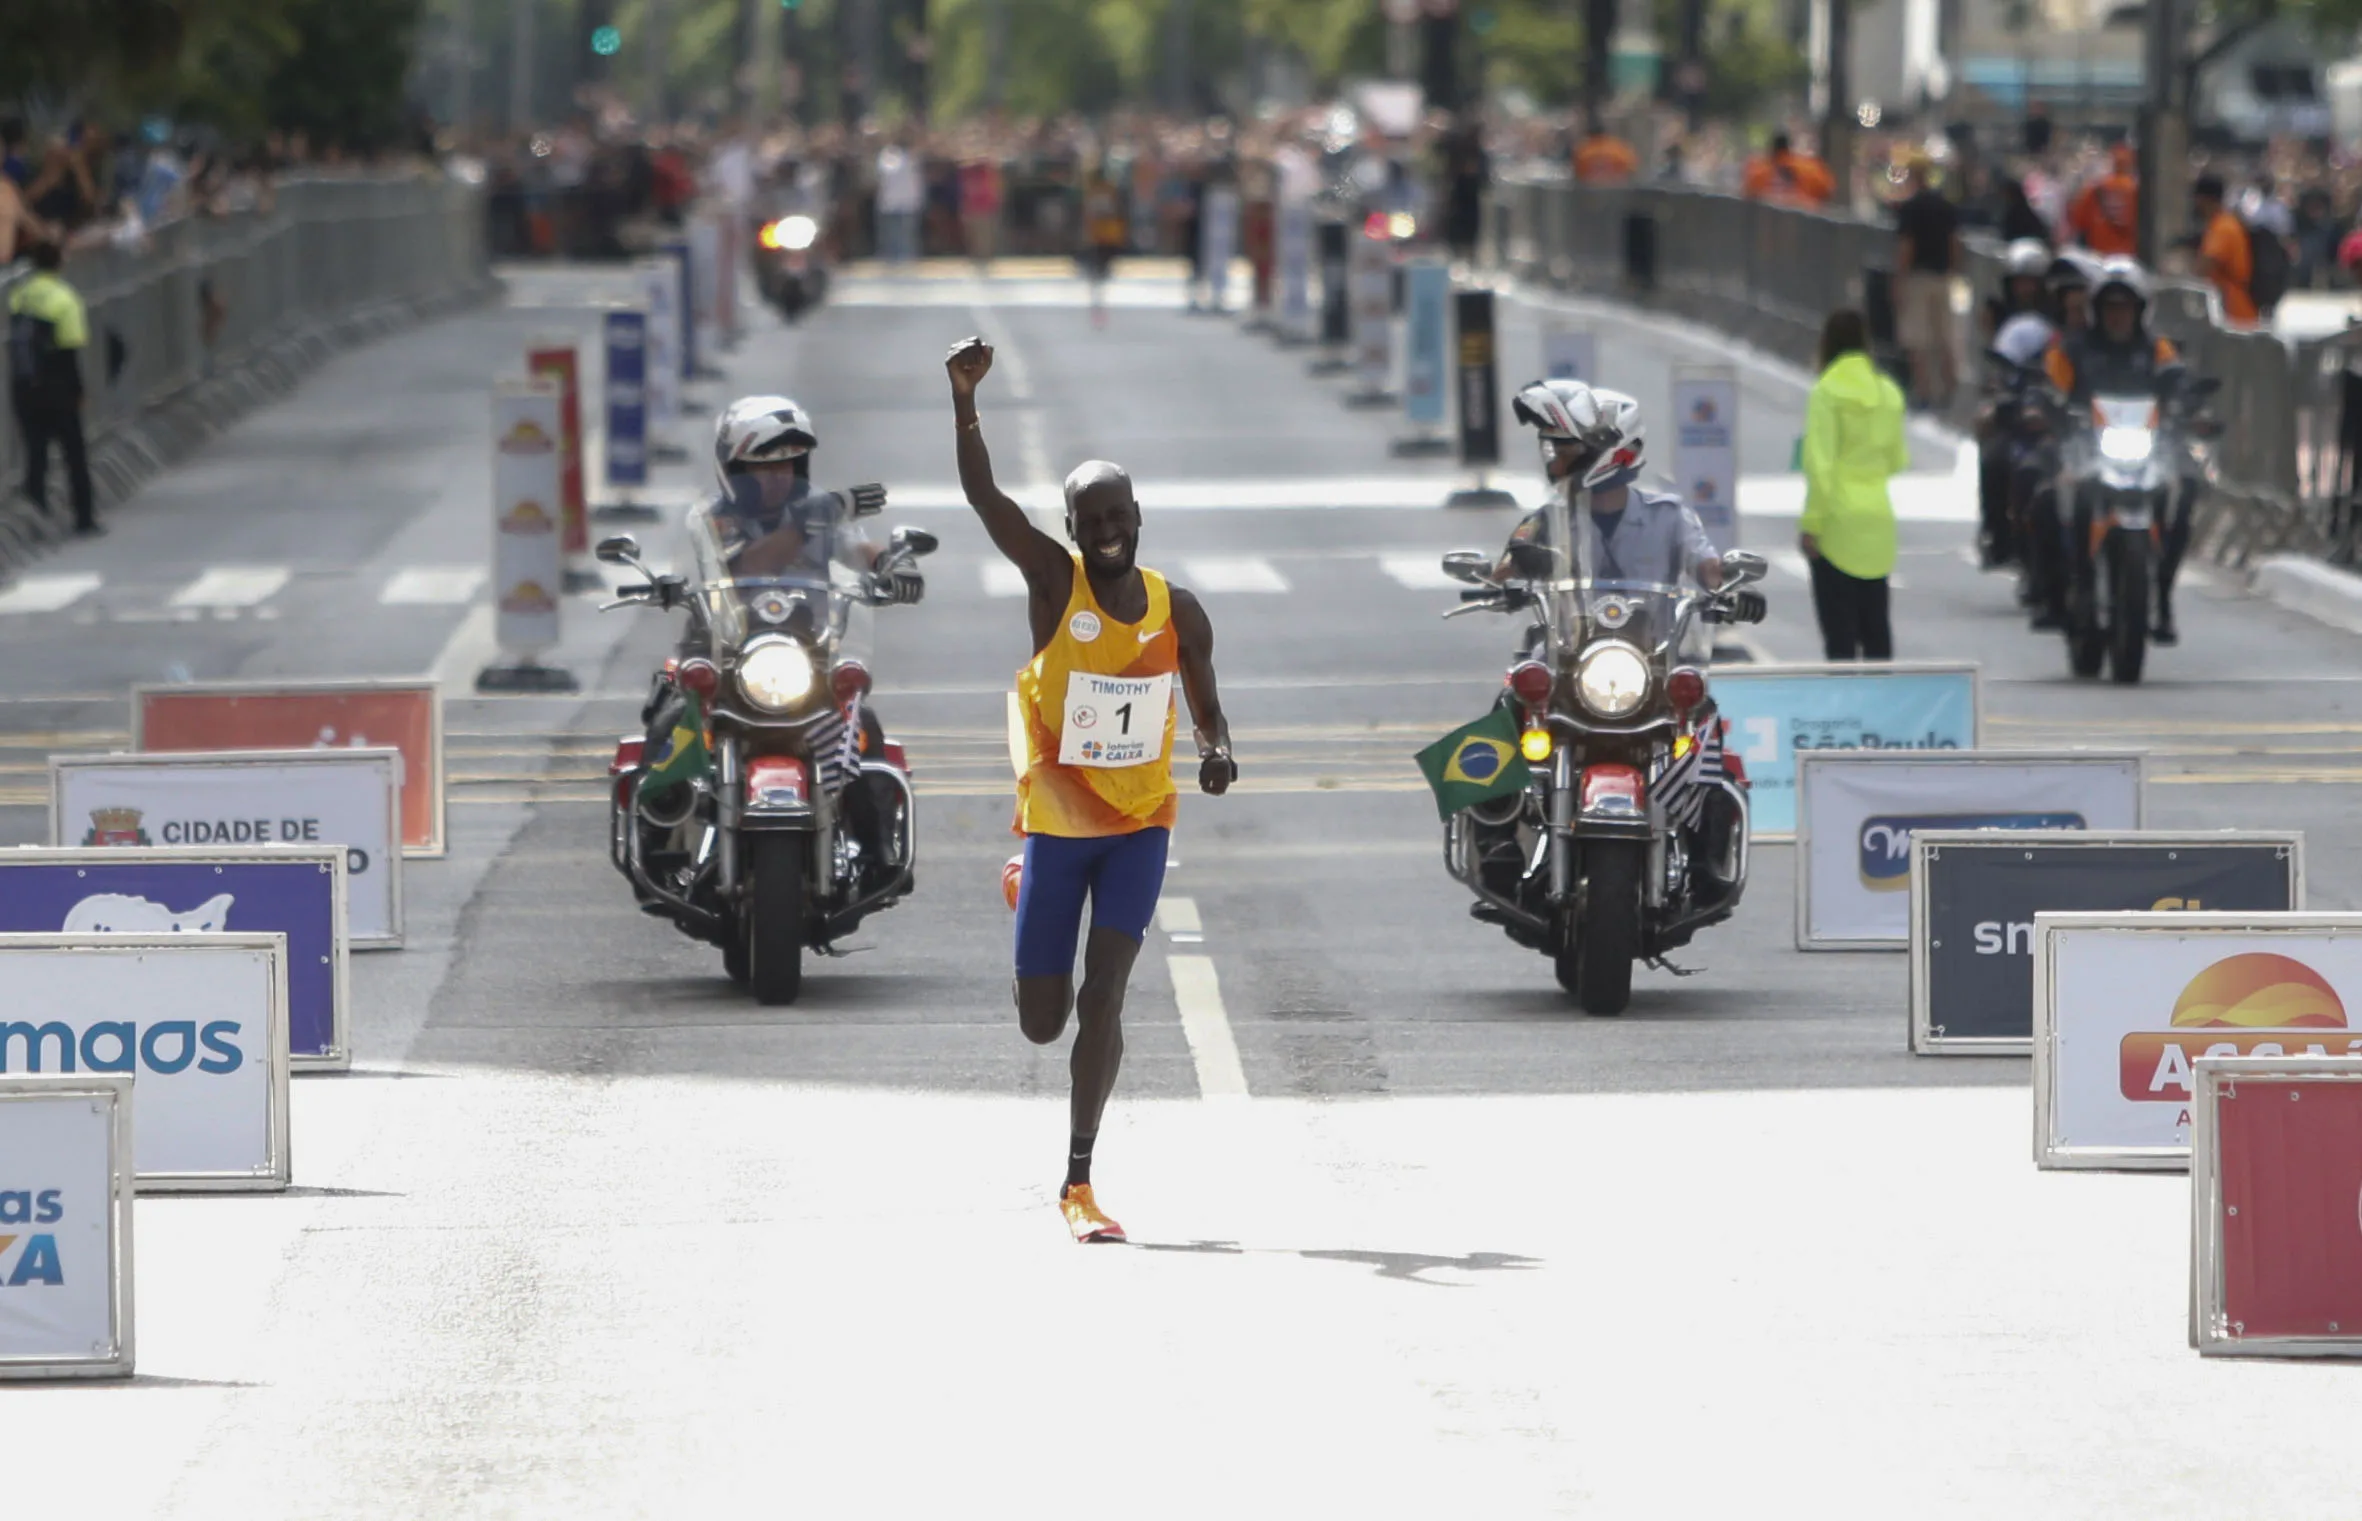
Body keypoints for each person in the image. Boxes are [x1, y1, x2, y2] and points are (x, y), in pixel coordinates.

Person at [943, 334, 1235, 1246]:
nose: (1106, 528)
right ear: (1072, 528)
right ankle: (1023, 885)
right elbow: (987, 501)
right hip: (1059, 828)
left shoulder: (1176, 607)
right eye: (1090, 517)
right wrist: (963, 401)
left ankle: (1079, 1180)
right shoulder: (1051, 583)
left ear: (1138, 516)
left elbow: (1209, 707)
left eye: (1118, 513)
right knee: (1043, 1021)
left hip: (1141, 823)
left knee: (1105, 995)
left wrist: (1218, 750)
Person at [2042, 259, 2193, 643]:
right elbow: (2049, 390)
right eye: (2110, 307)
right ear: (2096, 310)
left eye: (2126, 307)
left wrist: (2191, 408)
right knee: (2053, 494)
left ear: (2141, 310)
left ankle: (2163, 589)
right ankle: (2069, 586)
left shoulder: (2156, 348)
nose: (2118, 315)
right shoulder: (2073, 349)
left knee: (2187, 487)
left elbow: (2178, 382)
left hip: (2145, 447)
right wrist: (2045, 409)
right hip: (2086, 445)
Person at [1799, 310, 1908, 660]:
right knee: (1877, 629)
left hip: (1836, 523)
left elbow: (1821, 465)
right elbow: (1896, 460)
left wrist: (1811, 524)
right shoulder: (1889, 392)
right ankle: (1881, 706)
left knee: (1839, 637)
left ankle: (1845, 710)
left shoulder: (1826, 392)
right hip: (1878, 519)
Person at [7, 239, 98, 535]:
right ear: (59, 262)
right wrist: (79, 390)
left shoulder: (20, 294)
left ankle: (35, 520)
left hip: (24, 386)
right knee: (74, 453)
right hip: (58, 386)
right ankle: (84, 518)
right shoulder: (65, 298)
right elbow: (69, 351)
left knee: (36, 454)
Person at [1975, 238, 2053, 567]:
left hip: (2056, 409)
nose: (2025, 289)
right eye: (2019, 282)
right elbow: (1996, 369)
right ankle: (1996, 531)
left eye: (2031, 282)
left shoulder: (2061, 319)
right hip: (2017, 406)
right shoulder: (2003, 320)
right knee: (1994, 458)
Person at [1893, 155, 1963, 412]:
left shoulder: (1910, 208)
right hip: (1943, 277)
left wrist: (1899, 280)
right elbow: (1955, 243)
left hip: (1918, 277)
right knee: (1945, 334)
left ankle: (1923, 392)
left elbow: (1906, 247)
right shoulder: (1946, 206)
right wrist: (1954, 272)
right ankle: (1951, 387)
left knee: (1916, 338)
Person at [2193, 173, 2259, 328]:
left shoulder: (2223, 227)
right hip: (2235, 312)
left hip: (2233, 314)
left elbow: (2205, 267)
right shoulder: (2227, 223)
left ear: (2204, 199)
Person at [2066, 145, 2140, 258]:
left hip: (2100, 256)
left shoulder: (2096, 188)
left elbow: (2077, 220)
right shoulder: (2136, 190)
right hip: (2130, 255)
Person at [1079, 169, 1127, 329]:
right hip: (1099, 235)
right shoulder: (1093, 193)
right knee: (1098, 267)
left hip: (1107, 234)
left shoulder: (1108, 192)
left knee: (1103, 266)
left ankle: (1100, 282)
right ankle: (1098, 286)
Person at [1741, 131, 1834, 209]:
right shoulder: (1809, 168)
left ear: (1771, 149)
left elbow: (1748, 192)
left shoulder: (1760, 170)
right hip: (1805, 217)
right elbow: (1827, 189)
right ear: (1789, 147)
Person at [1572, 118, 1637, 187]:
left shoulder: (1583, 151)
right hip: (1616, 187)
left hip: (1592, 189)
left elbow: (1577, 172)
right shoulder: (1619, 149)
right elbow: (1631, 167)